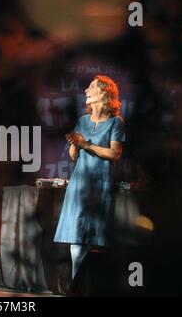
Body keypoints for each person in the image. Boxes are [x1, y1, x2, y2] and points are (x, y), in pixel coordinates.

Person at [54, 75, 125, 295]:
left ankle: (86, 286)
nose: (87, 90)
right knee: (76, 237)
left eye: (92, 87)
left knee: (92, 239)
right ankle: (77, 286)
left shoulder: (116, 122)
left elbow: (114, 153)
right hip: (79, 183)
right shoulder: (83, 121)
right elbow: (75, 157)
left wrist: (86, 144)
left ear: (104, 93)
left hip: (100, 183)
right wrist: (75, 145)